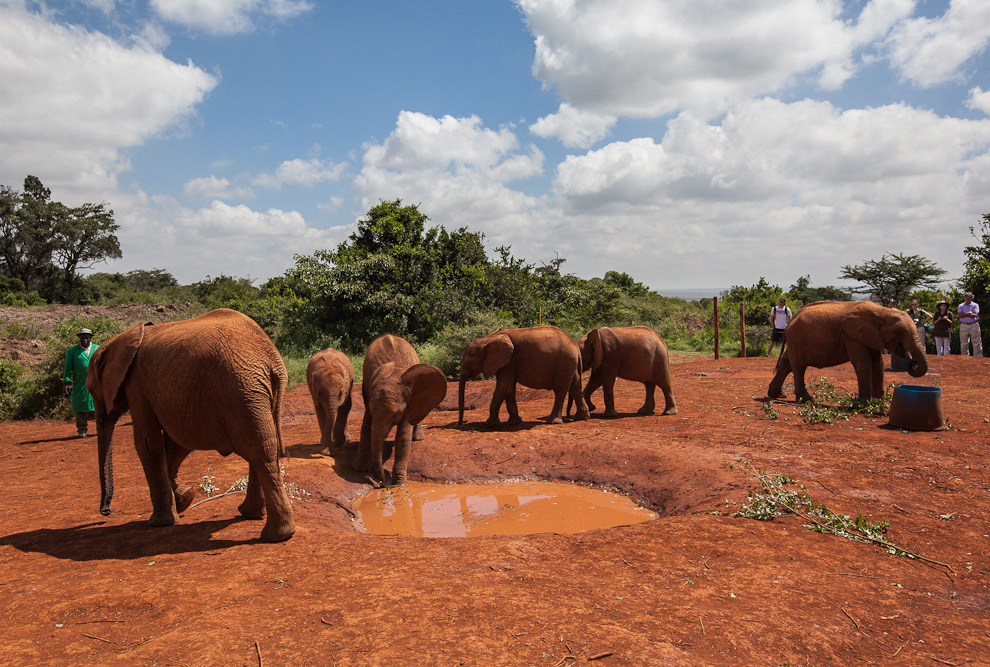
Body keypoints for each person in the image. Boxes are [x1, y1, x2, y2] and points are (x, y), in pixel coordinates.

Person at [63, 328, 99, 437]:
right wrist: (66, 381)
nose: (84, 339)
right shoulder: (72, 351)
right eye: (82, 337)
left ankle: (101, 429)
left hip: (96, 383)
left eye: (87, 337)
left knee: (99, 405)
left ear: (90, 338)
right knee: (79, 405)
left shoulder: (97, 349)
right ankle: (82, 430)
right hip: (80, 382)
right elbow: (67, 368)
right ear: (79, 338)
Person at [957, 292, 983, 357]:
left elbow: (975, 314)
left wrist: (965, 314)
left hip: (974, 324)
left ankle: (978, 356)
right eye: (966, 297)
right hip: (964, 325)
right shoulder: (961, 306)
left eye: (969, 297)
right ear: (964, 298)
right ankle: (964, 356)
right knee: (964, 342)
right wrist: (968, 314)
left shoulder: (975, 305)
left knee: (976, 342)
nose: (968, 298)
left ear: (972, 298)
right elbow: (959, 315)